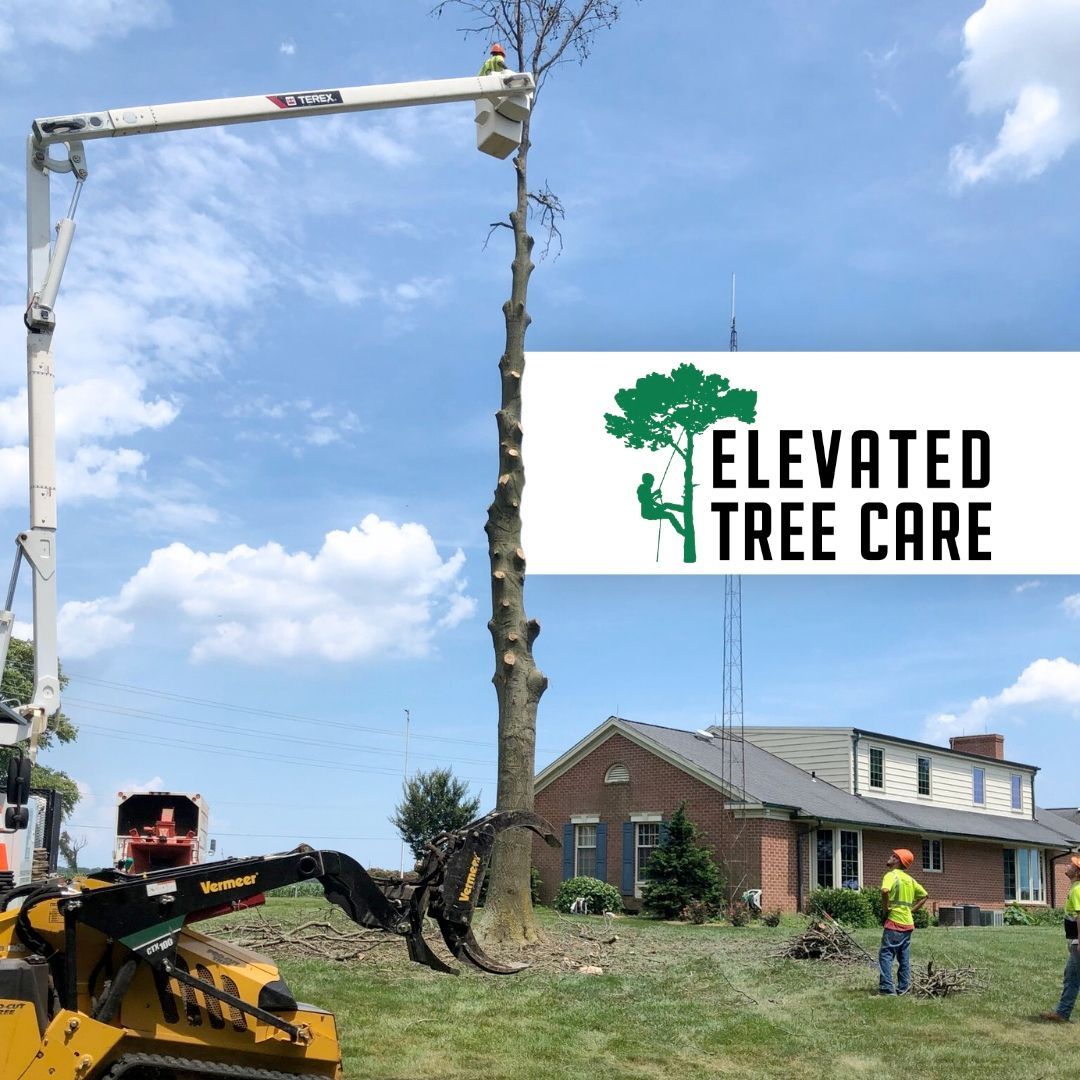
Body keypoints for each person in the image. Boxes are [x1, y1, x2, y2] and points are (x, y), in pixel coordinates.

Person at [877, 847, 928, 996]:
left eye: (893, 856)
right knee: (903, 957)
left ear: (898, 861)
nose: (890, 857)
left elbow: (885, 891)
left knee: (886, 955)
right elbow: (925, 896)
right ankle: (904, 987)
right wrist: (911, 911)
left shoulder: (891, 875)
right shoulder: (910, 879)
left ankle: (887, 989)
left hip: (894, 921)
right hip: (908, 923)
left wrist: (886, 909)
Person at [1040, 855, 1080, 1022]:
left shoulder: (1078, 890)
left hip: (1077, 940)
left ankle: (1062, 1013)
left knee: (1073, 976)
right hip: (1073, 940)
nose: (1068, 866)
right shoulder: (1075, 887)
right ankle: (1062, 1013)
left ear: (1077, 872)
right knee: (1071, 977)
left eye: (1072, 865)